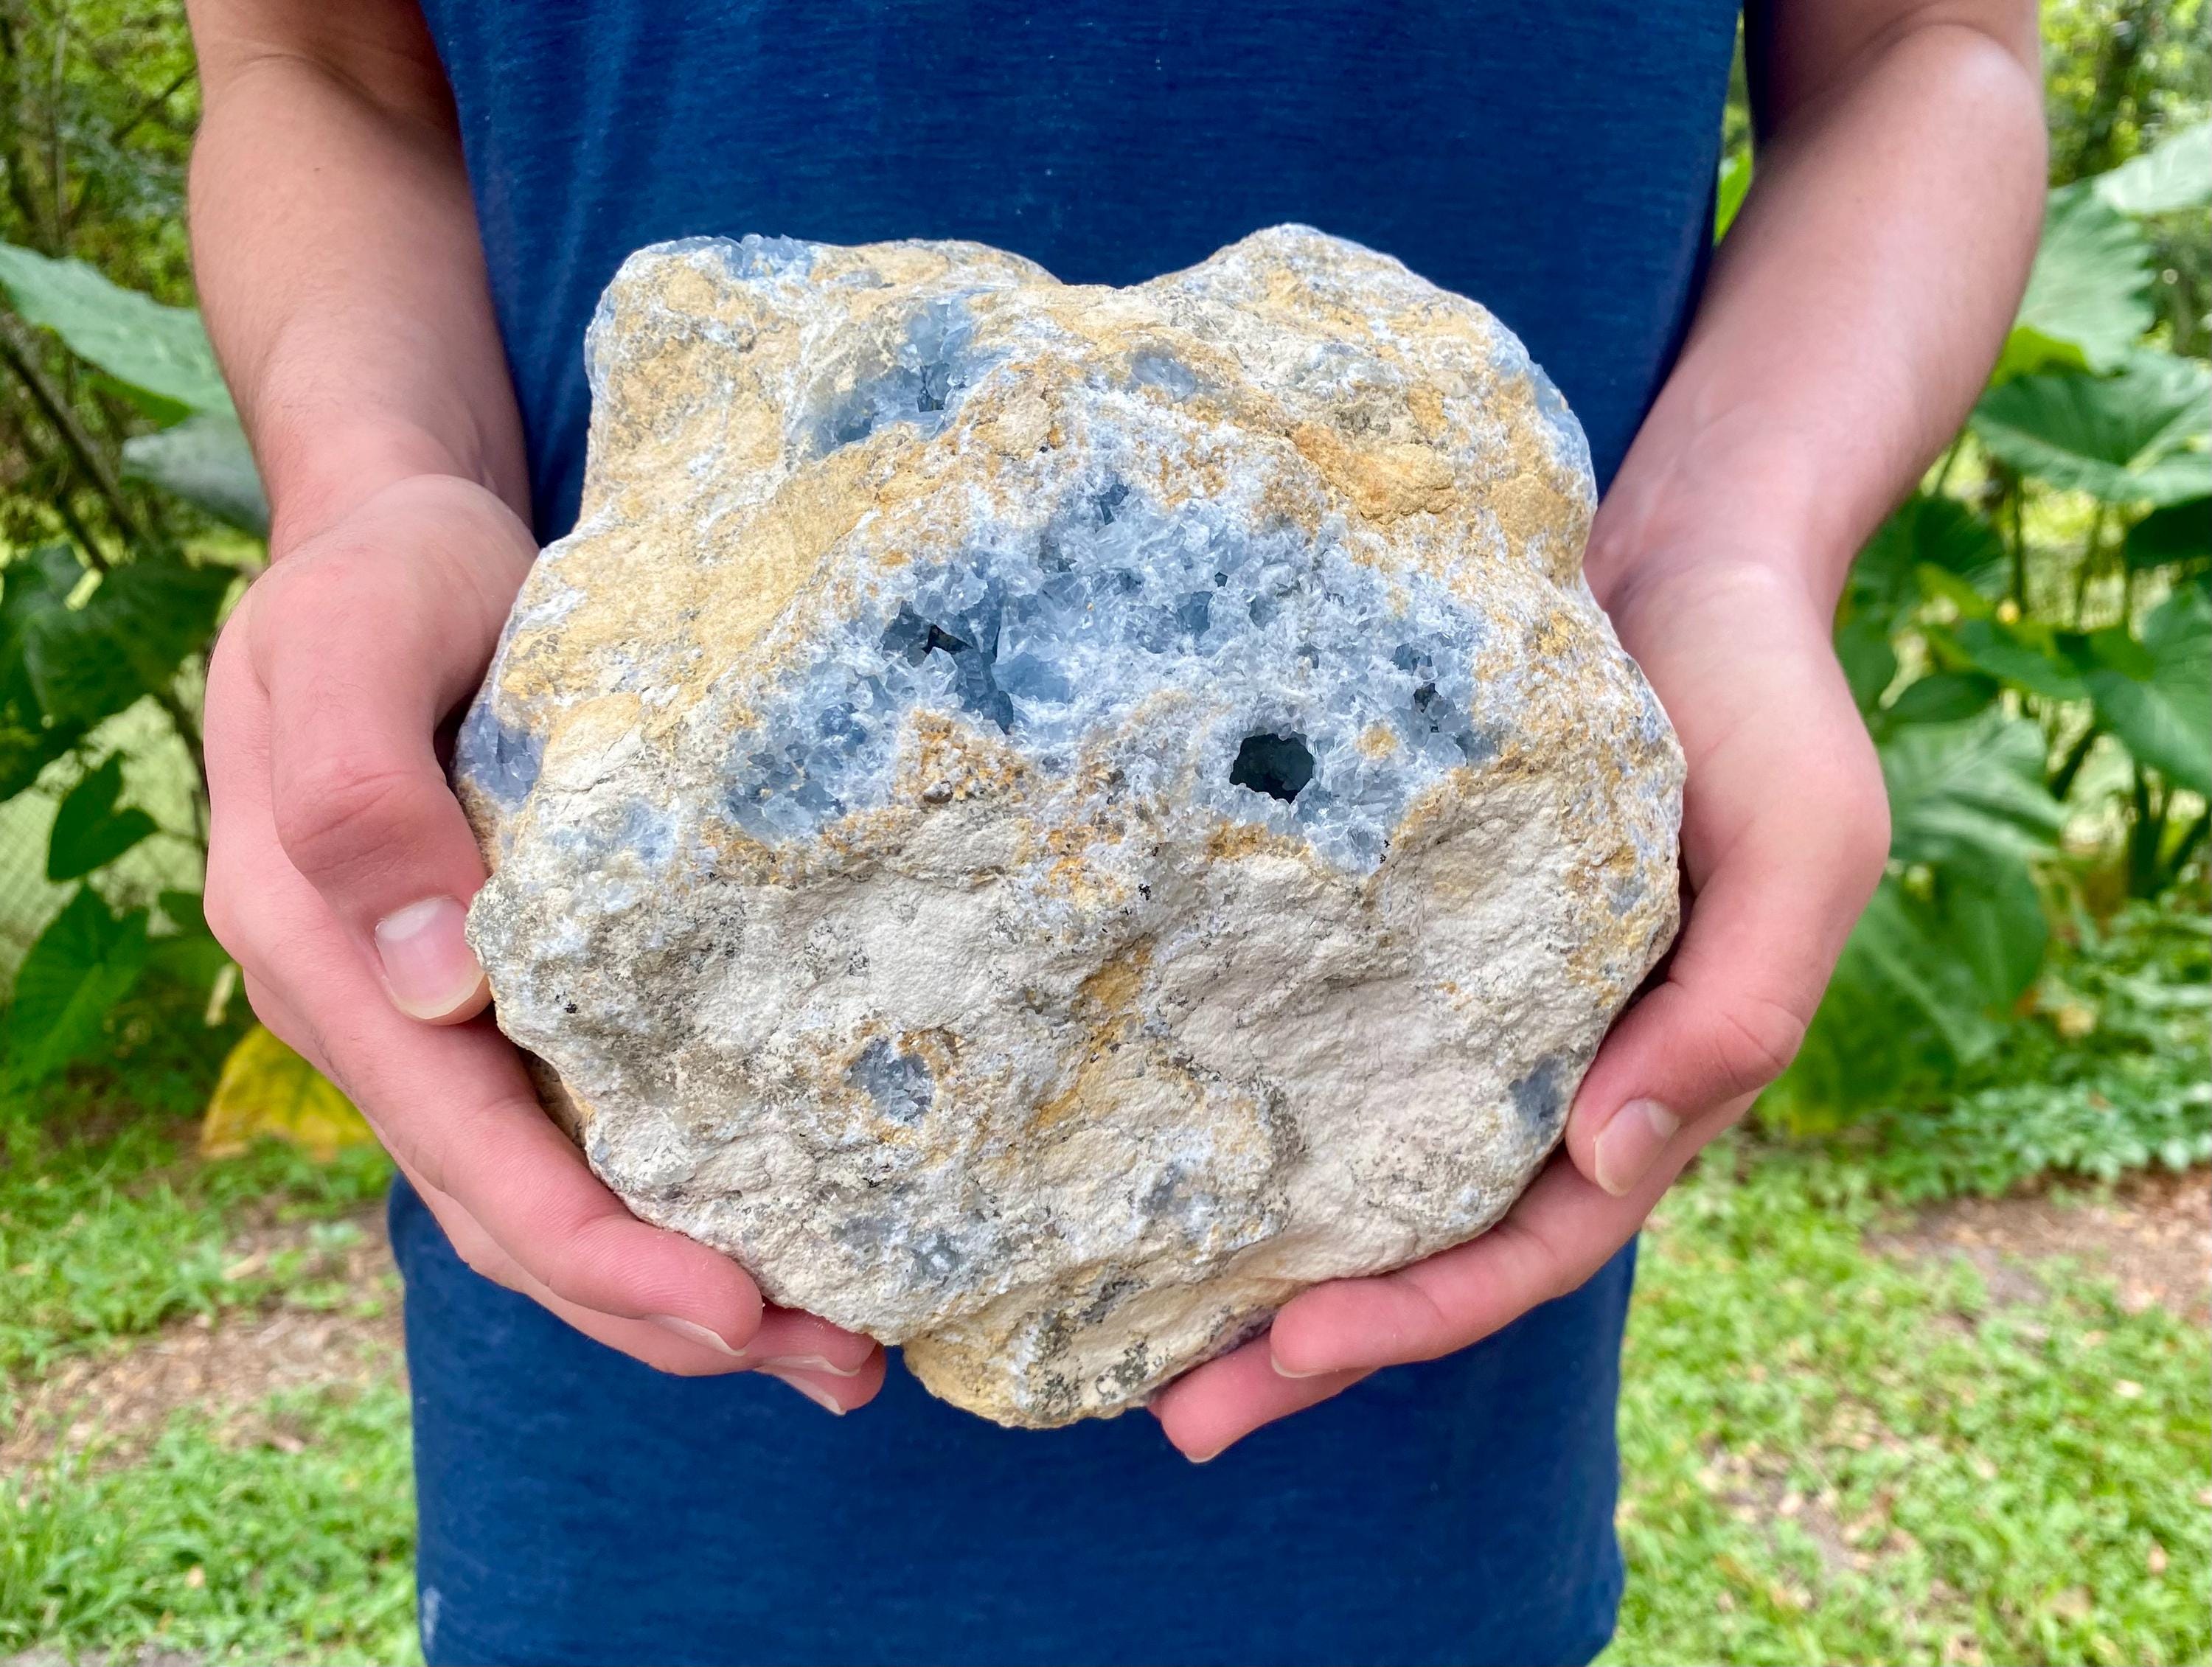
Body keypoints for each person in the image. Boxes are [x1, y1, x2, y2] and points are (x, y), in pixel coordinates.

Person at [180, 2, 2043, 1662]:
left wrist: (1733, 542)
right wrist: (381, 481)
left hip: (1422, 1314)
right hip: (623, 1279)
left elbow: (1922, 50)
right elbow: (319, 62)